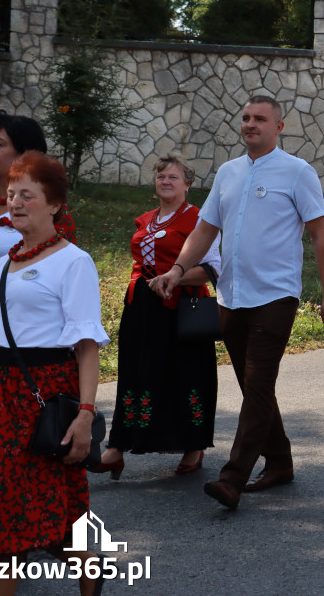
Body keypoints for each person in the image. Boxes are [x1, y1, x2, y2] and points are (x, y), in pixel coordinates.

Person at [150, 95, 324, 511]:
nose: (250, 124)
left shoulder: (298, 173)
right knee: (253, 387)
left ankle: (232, 479)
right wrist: (178, 271)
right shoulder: (229, 172)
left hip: (276, 295)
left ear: (279, 127)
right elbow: (204, 230)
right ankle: (280, 462)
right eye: (245, 118)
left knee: (256, 389)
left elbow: (320, 236)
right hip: (231, 296)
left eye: (260, 119)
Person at [0, 151, 107, 596]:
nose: (16, 202)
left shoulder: (73, 262)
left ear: (54, 205)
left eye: (28, 195)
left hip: (39, 397)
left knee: (43, 520)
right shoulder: (2, 266)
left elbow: (86, 344)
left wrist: (85, 414)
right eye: (11, 194)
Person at [92, 154, 222, 480]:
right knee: (135, 374)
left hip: (182, 309)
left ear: (187, 184)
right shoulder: (145, 220)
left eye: (173, 177)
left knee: (186, 375)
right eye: (161, 176)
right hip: (142, 308)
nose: (166, 181)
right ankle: (116, 447)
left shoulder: (199, 219)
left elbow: (211, 269)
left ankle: (194, 445)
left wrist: (174, 277)